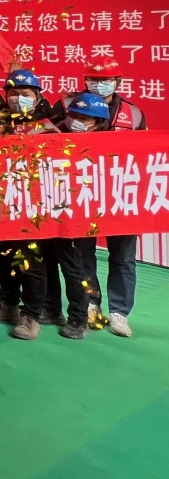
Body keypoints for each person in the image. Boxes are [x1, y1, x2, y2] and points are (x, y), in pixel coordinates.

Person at [0, 69, 59, 342]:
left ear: (37, 97)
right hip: (1, 204)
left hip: (33, 207)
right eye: (13, 94)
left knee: (31, 262)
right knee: (6, 257)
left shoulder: (46, 127)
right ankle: (8, 303)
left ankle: (31, 315)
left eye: (25, 94)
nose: (18, 99)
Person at [82, 59, 147, 338]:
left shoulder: (134, 114)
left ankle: (120, 312)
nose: (99, 84)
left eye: (106, 80)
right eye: (93, 79)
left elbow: (145, 154)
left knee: (123, 257)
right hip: (83, 192)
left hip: (121, 193)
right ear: (85, 81)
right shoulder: (70, 106)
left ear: (117, 82)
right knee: (83, 254)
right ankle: (90, 303)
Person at [50, 92, 115, 341]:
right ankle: (50, 309)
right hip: (49, 212)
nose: (77, 121)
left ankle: (79, 317)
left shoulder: (107, 146)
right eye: (75, 115)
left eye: (86, 118)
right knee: (46, 262)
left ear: (98, 123)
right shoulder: (52, 135)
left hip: (82, 216)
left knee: (76, 268)